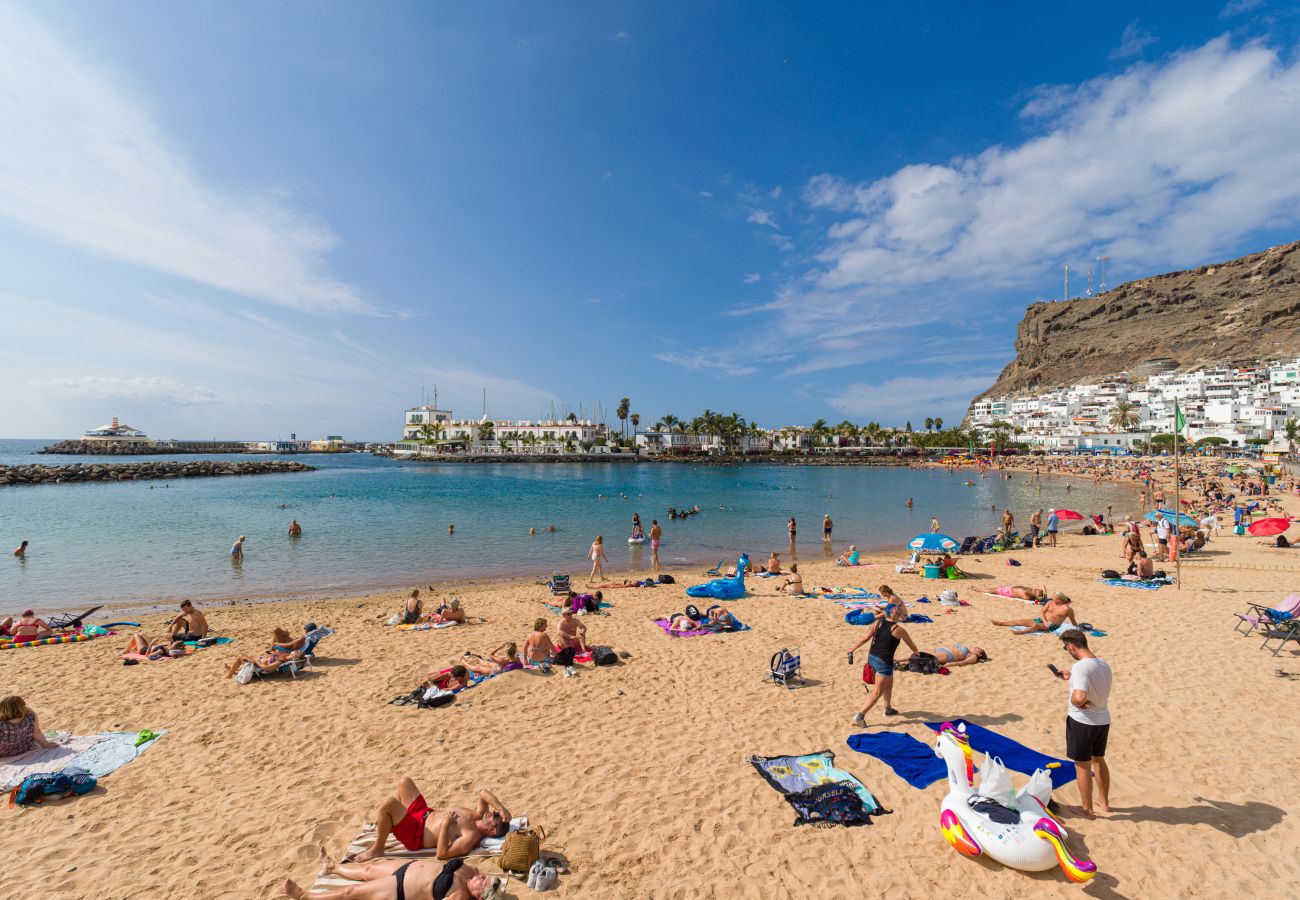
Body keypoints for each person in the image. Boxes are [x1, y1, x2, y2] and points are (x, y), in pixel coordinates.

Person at [350, 781, 512, 863]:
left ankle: (378, 849)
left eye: (495, 816)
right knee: (404, 782)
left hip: (417, 833)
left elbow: (442, 855)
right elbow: (484, 793)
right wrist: (502, 808)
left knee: (389, 804)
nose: (492, 813)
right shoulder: (479, 815)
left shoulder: (470, 837)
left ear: (492, 830)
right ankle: (394, 822)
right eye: (495, 813)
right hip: (423, 813)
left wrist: (446, 824)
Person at [286, 848, 504, 900]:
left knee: (351, 891)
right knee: (367, 869)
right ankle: (333, 867)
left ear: (478, 896)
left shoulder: (459, 896)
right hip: (407, 866)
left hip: (399, 888)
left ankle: (307, 896)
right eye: (485, 876)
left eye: (483, 882)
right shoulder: (471, 872)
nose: (481, 877)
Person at [1055, 629, 1112, 818]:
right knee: (1099, 760)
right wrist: (1071, 678)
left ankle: (1086, 809)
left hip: (1083, 722)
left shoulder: (1080, 667)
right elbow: (1093, 682)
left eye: (1066, 648)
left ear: (1071, 646)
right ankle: (1103, 801)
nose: (1067, 651)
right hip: (1102, 720)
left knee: (1082, 765)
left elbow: (1079, 697)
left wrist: (1075, 699)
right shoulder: (1102, 663)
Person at [849, 603, 919, 724]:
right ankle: (860, 716)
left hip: (872, 657)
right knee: (877, 692)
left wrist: (852, 649)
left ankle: (888, 708)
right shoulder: (899, 630)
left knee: (889, 682)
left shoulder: (878, 622)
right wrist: (917, 653)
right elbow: (911, 645)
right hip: (884, 662)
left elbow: (865, 638)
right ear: (896, 615)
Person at [992, 592, 1078, 634]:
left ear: (1059, 600)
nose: (1052, 598)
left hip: (1052, 626)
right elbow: (1042, 611)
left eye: (1054, 598)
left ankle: (1021, 632)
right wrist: (1044, 621)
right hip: (1042, 620)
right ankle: (1001, 623)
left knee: (1036, 626)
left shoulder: (1067, 609)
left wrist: (1078, 629)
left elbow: (1073, 621)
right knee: (1021, 621)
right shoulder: (1050, 602)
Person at [225, 648, 301, 678]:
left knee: (240, 656)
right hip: (259, 662)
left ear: (294, 656)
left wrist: (255, 662)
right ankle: (233, 670)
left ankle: (229, 675)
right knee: (241, 656)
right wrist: (274, 653)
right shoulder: (286, 655)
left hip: (259, 668)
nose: (297, 650)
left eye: (297, 652)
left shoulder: (283, 660)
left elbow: (266, 668)